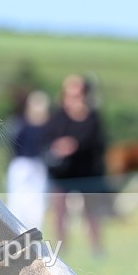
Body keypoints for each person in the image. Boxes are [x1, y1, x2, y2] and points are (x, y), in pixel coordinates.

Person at [43, 74, 107, 256]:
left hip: (87, 173)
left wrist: (74, 145)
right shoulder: (58, 116)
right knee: (60, 215)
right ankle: (61, 251)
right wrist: (58, 145)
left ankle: (97, 250)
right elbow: (47, 138)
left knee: (92, 214)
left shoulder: (92, 117)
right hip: (62, 173)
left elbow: (96, 142)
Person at [5, 90, 50, 229]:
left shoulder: (47, 126)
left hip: (38, 165)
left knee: (37, 202)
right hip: (21, 164)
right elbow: (11, 144)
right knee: (16, 201)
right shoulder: (19, 123)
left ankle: (34, 233)